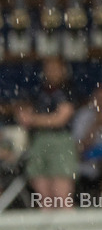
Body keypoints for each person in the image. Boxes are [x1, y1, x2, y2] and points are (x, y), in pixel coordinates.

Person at [16, 57, 77, 209]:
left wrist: (33, 119)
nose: (51, 72)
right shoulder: (38, 90)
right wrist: (25, 116)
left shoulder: (67, 90)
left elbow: (60, 119)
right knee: (43, 195)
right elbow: (24, 112)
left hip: (60, 141)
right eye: (48, 68)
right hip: (38, 140)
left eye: (55, 68)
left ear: (63, 71)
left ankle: (68, 229)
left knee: (62, 195)